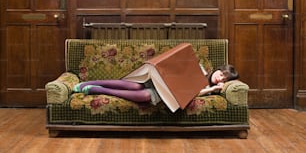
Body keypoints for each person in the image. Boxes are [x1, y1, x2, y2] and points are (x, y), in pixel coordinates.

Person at [73, 64, 239, 105]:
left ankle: (98, 90)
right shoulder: (201, 68)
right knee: (137, 85)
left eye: (224, 80)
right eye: (221, 74)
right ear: (218, 69)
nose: (220, 78)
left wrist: (213, 89)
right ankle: (90, 83)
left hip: (166, 94)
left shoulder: (209, 90)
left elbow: (192, 94)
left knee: (145, 95)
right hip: (158, 81)